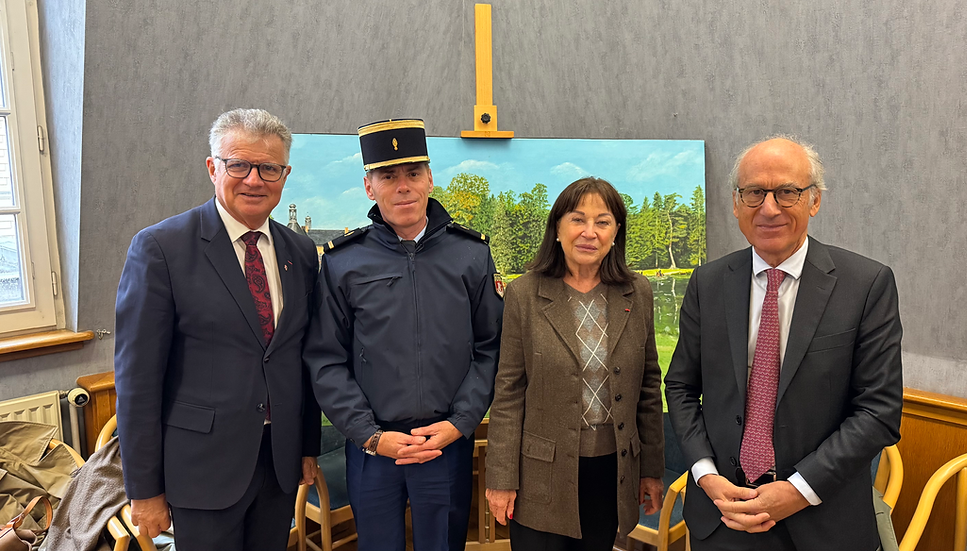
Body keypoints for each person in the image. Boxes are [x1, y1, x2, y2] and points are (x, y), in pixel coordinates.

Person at [664, 137, 903, 551]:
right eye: (755, 192)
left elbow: (879, 411)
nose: (769, 208)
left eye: (786, 192)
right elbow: (681, 388)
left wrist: (797, 490)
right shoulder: (708, 283)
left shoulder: (866, 285)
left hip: (821, 522)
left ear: (814, 201)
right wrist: (706, 475)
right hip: (723, 519)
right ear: (736, 203)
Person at [114, 108, 321, 551]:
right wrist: (145, 490)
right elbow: (137, 382)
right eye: (238, 165)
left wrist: (306, 447)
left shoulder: (300, 252)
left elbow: (299, 358)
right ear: (213, 168)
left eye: (269, 168)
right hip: (202, 470)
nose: (254, 180)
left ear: (284, 175)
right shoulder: (160, 249)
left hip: (278, 465)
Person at [303, 118, 503, 551]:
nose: (403, 186)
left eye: (413, 173)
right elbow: (325, 359)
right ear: (369, 186)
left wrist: (460, 423)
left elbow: (491, 347)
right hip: (373, 449)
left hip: (444, 445)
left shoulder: (471, 254)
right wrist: (371, 436)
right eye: (388, 176)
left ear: (429, 179)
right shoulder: (343, 263)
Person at [485, 177, 665, 551]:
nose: (590, 232)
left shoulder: (638, 292)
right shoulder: (524, 294)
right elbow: (508, 393)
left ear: (616, 232)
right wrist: (500, 477)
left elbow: (648, 387)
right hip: (541, 474)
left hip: (611, 472)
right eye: (577, 219)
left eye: (603, 221)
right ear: (557, 229)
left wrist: (651, 470)